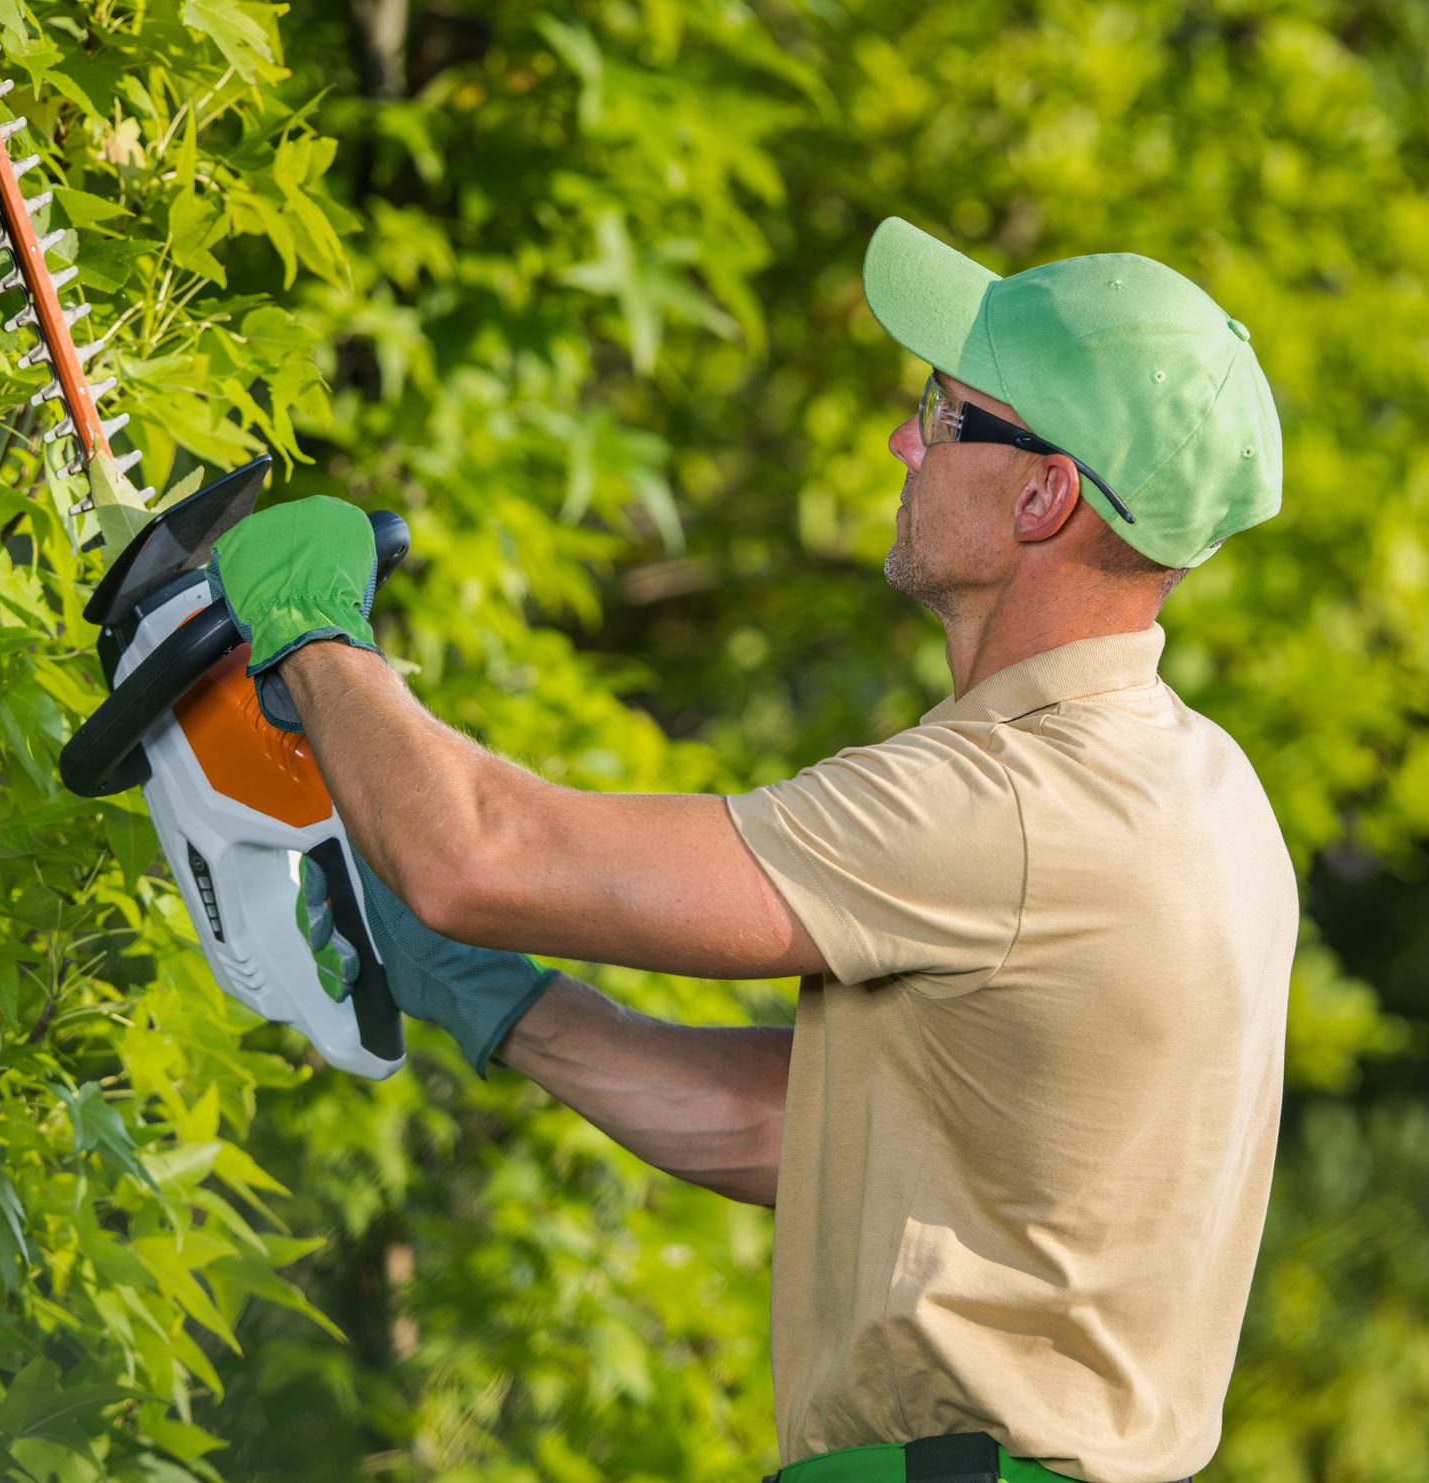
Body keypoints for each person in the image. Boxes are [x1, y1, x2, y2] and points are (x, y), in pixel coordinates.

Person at [204, 217, 1297, 1483]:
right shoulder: (1205, 789)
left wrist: (313, 635)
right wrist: (492, 992)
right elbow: (809, 1139)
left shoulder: (1009, 807)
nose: (904, 439)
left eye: (944, 415)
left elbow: (478, 852)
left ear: (1044, 494)